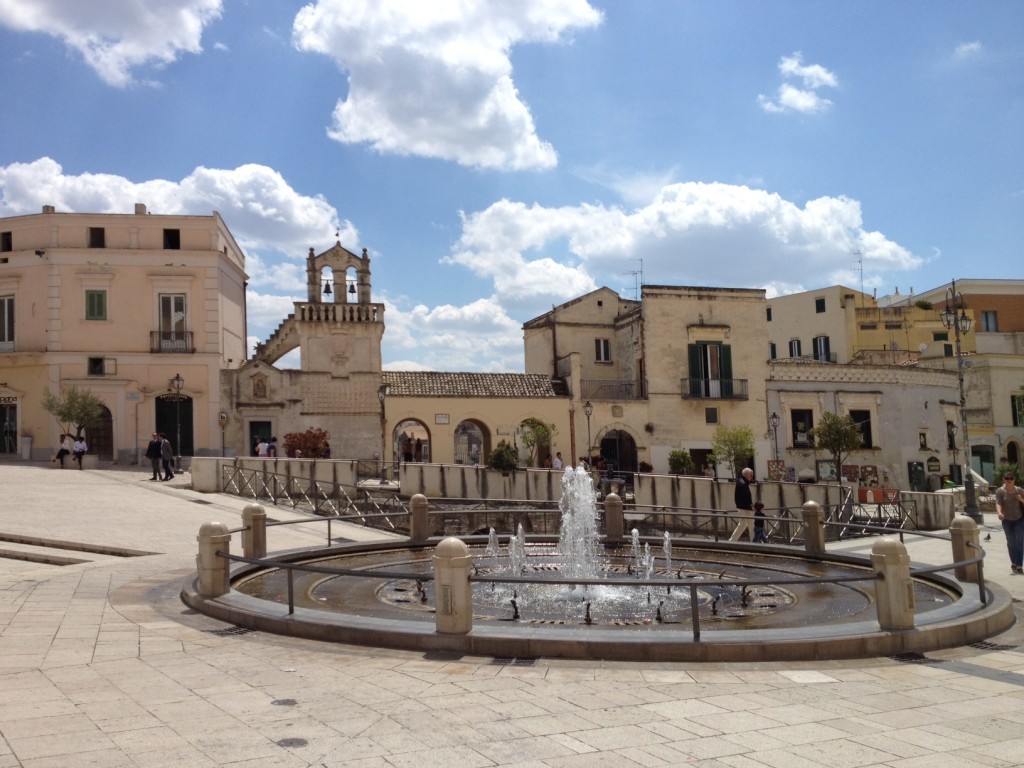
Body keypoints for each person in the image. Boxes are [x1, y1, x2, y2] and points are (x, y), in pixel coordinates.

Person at [996, 472, 1024, 574]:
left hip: (1019, 520)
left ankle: (1019, 565)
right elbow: (998, 502)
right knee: (1011, 542)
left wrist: (1020, 499)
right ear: (1004, 479)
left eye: (1011, 478)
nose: (1009, 480)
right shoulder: (1000, 491)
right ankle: (1014, 562)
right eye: (1007, 478)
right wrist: (999, 513)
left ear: (1014, 479)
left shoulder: (1019, 490)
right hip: (1006, 521)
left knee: (1019, 542)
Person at [730, 467, 756, 541]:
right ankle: (755, 543)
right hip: (745, 508)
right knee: (751, 525)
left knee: (743, 524)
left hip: (741, 507)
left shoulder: (741, 482)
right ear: (746, 475)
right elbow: (746, 497)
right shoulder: (743, 484)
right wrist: (751, 506)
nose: (752, 477)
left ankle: (732, 540)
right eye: (751, 475)